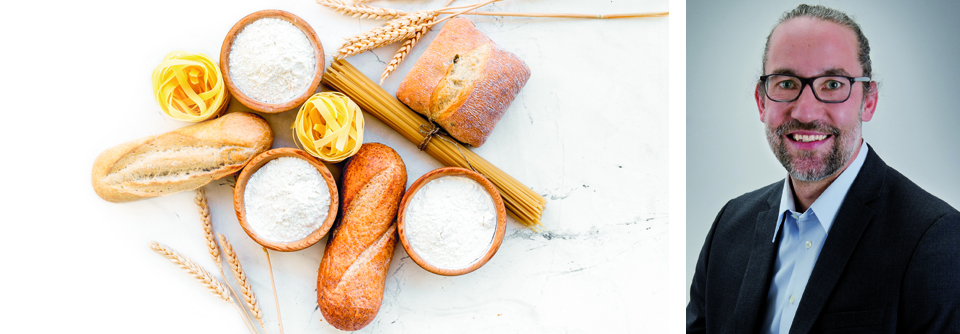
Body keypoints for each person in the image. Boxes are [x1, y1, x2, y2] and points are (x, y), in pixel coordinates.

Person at [686, 4, 960, 334]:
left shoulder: (935, 241)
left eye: (832, 84)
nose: (805, 110)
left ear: (868, 100)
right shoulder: (729, 227)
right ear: (762, 101)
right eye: (786, 83)